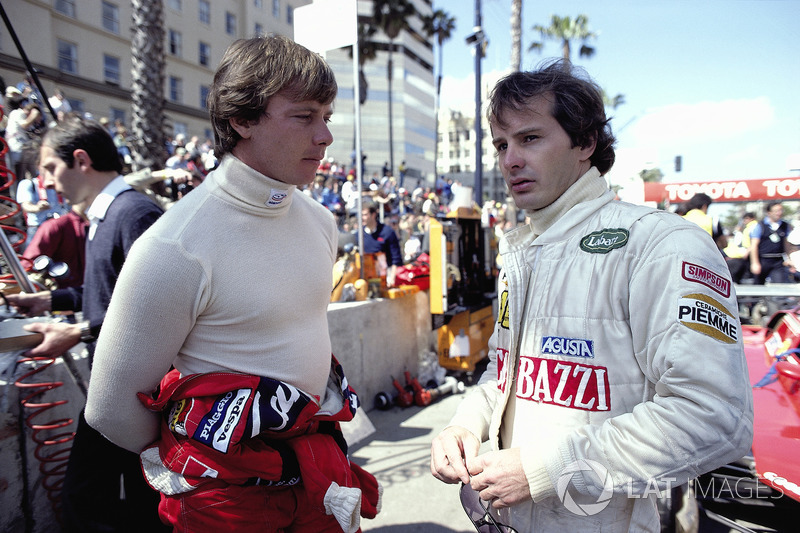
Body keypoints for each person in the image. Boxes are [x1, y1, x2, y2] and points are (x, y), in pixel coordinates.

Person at [429, 60, 753, 532]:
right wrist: (465, 425)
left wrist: (547, 471)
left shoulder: (660, 243)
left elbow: (713, 415)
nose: (510, 159)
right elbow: (505, 374)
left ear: (585, 142)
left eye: (530, 138)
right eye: (502, 144)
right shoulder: (521, 252)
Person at [83, 35, 380, 532]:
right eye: (304, 116)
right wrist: (216, 467)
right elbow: (109, 409)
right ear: (241, 119)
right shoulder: (174, 246)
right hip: (228, 507)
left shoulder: (321, 223)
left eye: (326, 116)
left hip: (318, 476)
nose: (325, 136)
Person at [5, 117, 166, 532]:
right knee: (135, 499)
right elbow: (108, 294)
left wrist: (77, 331)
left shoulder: (134, 213)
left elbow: (155, 306)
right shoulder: (106, 215)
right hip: (120, 387)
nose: (44, 180)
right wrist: (49, 299)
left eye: (49, 168)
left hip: (134, 391)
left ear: (80, 160)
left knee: (90, 494)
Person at [361, 202, 403, 288]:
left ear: (373, 215)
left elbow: (396, 258)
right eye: (361, 215)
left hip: (385, 277)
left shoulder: (388, 232)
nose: (362, 218)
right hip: (365, 277)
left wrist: (391, 279)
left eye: (365, 215)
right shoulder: (359, 234)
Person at [750, 201, 793, 284]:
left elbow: (786, 244)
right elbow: (754, 245)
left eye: (781, 210)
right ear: (769, 212)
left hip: (778, 260)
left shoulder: (785, 225)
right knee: (757, 287)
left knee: (779, 285)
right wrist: (755, 263)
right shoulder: (760, 226)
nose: (779, 213)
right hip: (763, 259)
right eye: (776, 211)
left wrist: (789, 259)